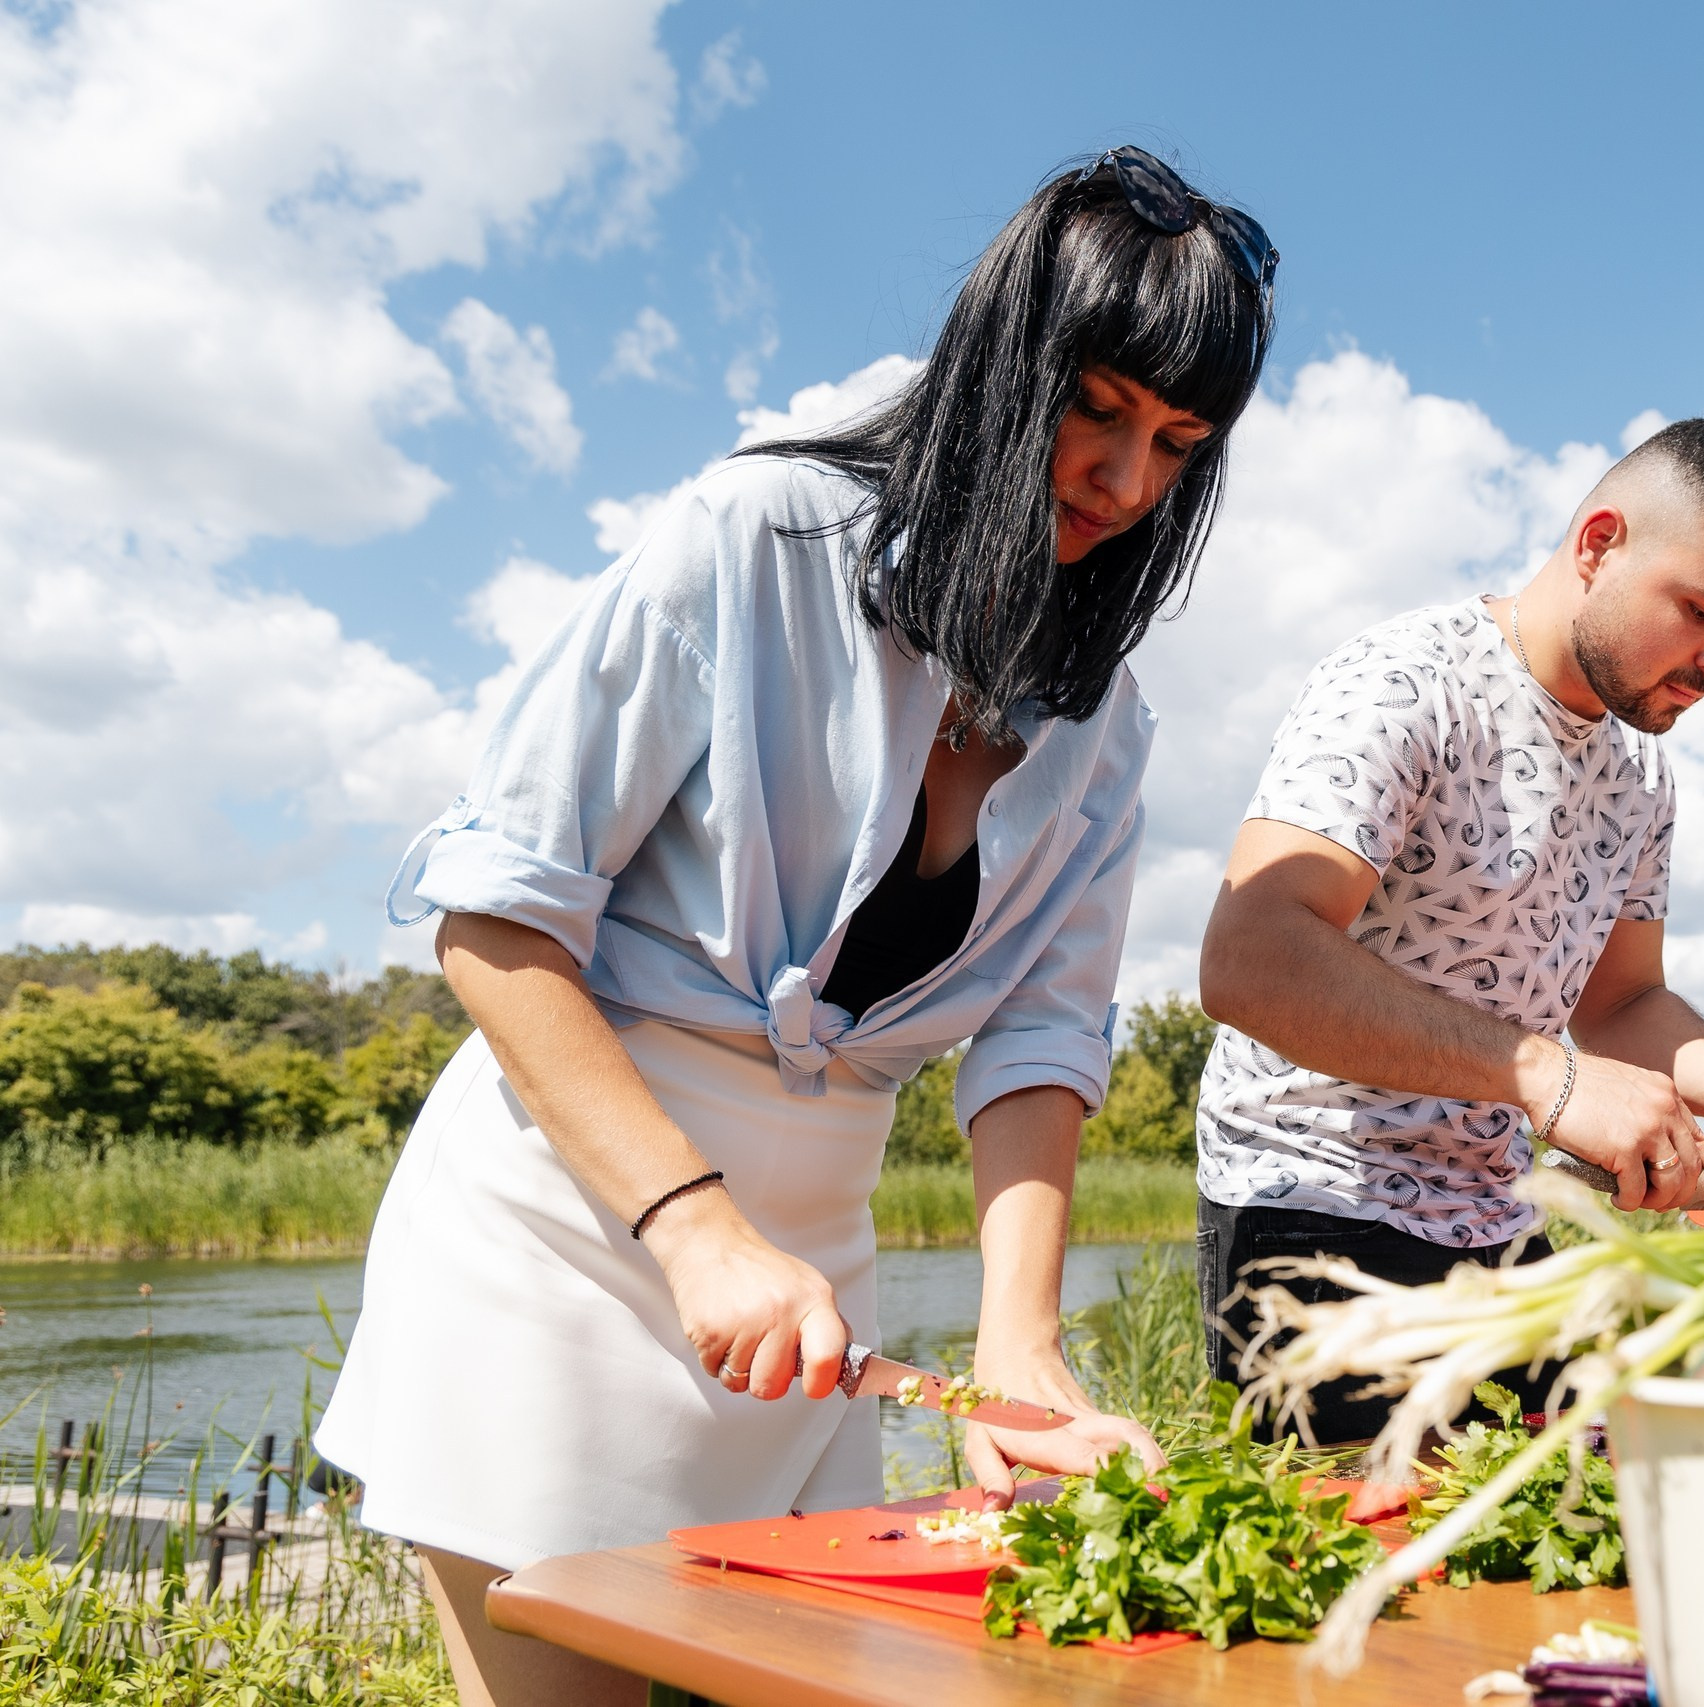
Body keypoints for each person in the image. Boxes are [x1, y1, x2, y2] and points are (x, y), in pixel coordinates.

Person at [315, 147, 1276, 1707]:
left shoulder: (1111, 725)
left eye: (1177, 442)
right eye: (1096, 410)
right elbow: (498, 923)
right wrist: (694, 1229)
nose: (1125, 481)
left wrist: (1019, 1344)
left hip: (811, 1288)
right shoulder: (749, 539)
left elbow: (1041, 1036)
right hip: (570, 1235)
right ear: (1000, 371)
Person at [1193, 418, 1704, 1443]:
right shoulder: (1403, 681)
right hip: (1315, 1217)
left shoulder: (1640, 770)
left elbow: (1620, 1007)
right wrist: (1551, 1080)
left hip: (1505, 1226)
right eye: (1703, 613)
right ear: (1597, 544)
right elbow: (1250, 958)